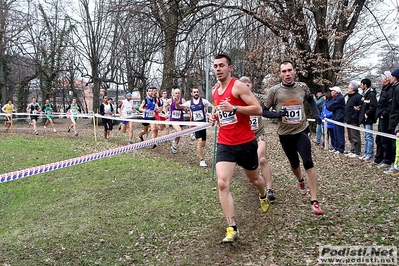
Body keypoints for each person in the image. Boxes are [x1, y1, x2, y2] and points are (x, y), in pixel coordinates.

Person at [208, 54, 268, 243]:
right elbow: (218, 109)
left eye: (222, 66)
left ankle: (263, 193)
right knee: (222, 183)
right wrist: (214, 117)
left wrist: (234, 108)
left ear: (230, 68)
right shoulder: (215, 90)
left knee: (255, 180)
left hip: (245, 143)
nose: (218, 69)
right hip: (225, 143)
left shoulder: (238, 86)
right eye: (215, 66)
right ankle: (231, 227)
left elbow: (258, 109)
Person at [262, 60, 324, 216]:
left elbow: (310, 99)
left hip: (301, 130)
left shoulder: (302, 87)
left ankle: (314, 201)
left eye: (290, 70)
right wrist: (277, 115)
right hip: (285, 134)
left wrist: (316, 115)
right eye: (284, 71)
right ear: (280, 74)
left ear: (295, 71)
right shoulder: (275, 91)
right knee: (294, 163)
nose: (287, 74)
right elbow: (263, 111)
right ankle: (300, 180)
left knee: (308, 161)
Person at [240, 76, 275, 202]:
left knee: (262, 159)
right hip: (244, 136)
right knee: (250, 164)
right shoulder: (236, 100)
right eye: (242, 85)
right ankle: (258, 180)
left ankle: (270, 189)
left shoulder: (258, 98)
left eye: (248, 84)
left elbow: (271, 100)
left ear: (251, 85)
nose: (246, 86)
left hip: (259, 133)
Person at [177, 86, 214, 166]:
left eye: (197, 92)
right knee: (199, 142)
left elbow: (213, 107)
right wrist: (177, 103)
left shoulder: (203, 101)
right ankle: (202, 160)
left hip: (203, 125)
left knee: (203, 144)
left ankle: (195, 136)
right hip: (195, 125)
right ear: (191, 93)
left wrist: (212, 115)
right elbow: (179, 106)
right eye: (194, 92)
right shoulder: (189, 103)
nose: (196, 93)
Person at [371, 71, 394, 169]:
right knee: (379, 139)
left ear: (387, 79)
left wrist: (384, 114)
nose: (381, 80)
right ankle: (378, 157)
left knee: (386, 140)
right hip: (381, 118)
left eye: (383, 78)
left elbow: (391, 105)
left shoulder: (391, 90)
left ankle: (387, 159)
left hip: (386, 119)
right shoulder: (384, 90)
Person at [358, 78, 377, 162]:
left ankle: (369, 154)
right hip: (364, 119)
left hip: (368, 119)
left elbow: (373, 106)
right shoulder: (364, 94)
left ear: (365, 85)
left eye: (361, 84)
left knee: (369, 136)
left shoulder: (371, 94)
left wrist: (367, 113)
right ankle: (366, 153)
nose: (360, 86)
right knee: (366, 136)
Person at [163, 88, 186, 154]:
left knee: (179, 134)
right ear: (173, 94)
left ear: (180, 94)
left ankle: (174, 146)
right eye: (176, 93)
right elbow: (164, 106)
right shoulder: (170, 100)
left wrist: (186, 109)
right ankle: (174, 143)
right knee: (179, 131)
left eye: (178, 93)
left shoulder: (183, 100)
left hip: (180, 119)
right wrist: (166, 113)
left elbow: (185, 108)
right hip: (173, 119)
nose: (177, 94)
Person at [344, 81, 362, 158]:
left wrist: (356, 112)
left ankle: (357, 151)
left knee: (355, 136)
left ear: (353, 89)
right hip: (348, 119)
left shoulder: (358, 97)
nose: (347, 89)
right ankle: (352, 150)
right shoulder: (349, 97)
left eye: (349, 87)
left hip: (354, 119)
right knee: (350, 136)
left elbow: (360, 107)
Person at [386, 68, 399, 175]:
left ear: (395, 77)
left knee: (396, 145)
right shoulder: (394, 88)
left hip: (396, 120)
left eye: (391, 76)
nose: (390, 78)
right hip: (393, 118)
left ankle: (396, 166)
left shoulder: (398, 88)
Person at [326, 86, 345, 154]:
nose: (331, 92)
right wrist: (330, 107)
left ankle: (340, 148)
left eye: (332, 91)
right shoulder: (334, 98)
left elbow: (331, 105)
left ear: (336, 92)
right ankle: (336, 147)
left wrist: (331, 107)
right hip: (335, 117)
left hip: (339, 118)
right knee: (335, 133)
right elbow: (328, 105)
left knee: (339, 134)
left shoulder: (340, 98)